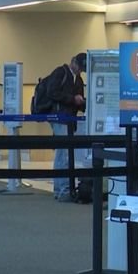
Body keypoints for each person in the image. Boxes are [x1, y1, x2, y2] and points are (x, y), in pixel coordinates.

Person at [47, 53, 87, 202]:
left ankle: (62, 188)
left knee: (64, 153)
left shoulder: (78, 79)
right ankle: (63, 189)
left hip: (69, 120)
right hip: (60, 118)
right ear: (73, 62)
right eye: (80, 67)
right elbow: (52, 92)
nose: (80, 70)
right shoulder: (60, 73)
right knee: (63, 154)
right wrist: (72, 99)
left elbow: (79, 103)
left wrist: (82, 102)